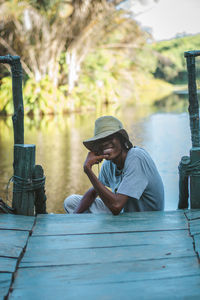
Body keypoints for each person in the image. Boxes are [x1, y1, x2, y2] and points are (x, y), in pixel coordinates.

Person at [64, 116, 164, 215]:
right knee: (71, 202)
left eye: (110, 137)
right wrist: (74, 218)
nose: (105, 143)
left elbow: (116, 206)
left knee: (113, 205)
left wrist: (88, 170)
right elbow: (93, 193)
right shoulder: (109, 164)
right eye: (101, 140)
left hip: (146, 222)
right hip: (125, 215)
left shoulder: (136, 157)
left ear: (121, 140)